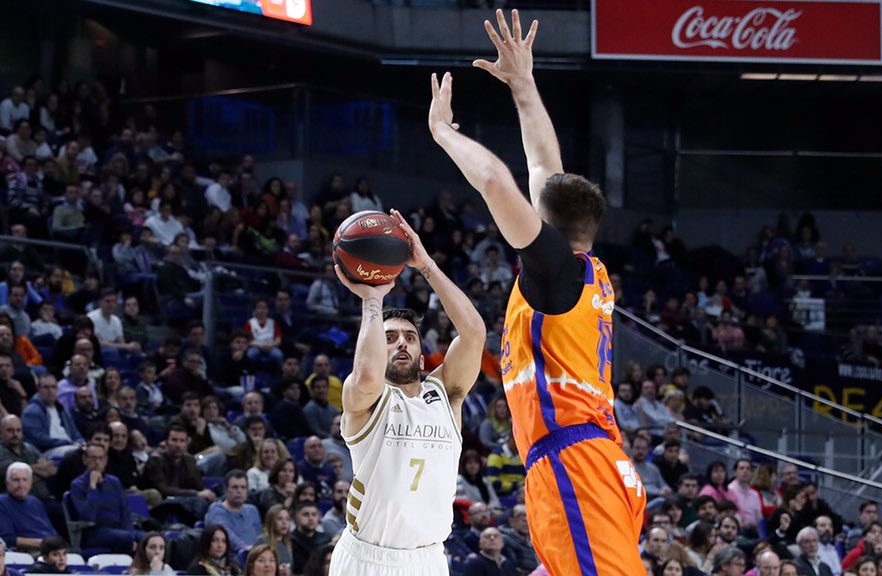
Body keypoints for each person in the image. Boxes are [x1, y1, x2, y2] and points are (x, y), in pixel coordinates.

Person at [436, 9, 645, 574]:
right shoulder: (583, 269)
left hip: (576, 463)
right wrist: (524, 87)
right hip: (585, 460)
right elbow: (542, 168)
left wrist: (444, 134)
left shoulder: (555, 275)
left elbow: (497, 181)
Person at [328, 202, 485, 574]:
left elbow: (474, 333)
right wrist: (372, 299)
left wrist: (426, 265)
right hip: (368, 559)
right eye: (390, 337)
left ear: (421, 350)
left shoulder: (445, 393)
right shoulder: (366, 398)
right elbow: (368, 375)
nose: (402, 344)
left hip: (428, 559)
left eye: (410, 338)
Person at [69, 441, 142, 554]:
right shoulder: (77, 485)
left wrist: (130, 534)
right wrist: (92, 487)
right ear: (85, 460)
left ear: (106, 460)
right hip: (94, 533)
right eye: (93, 458)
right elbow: (87, 517)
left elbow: (125, 511)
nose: (97, 462)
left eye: (101, 458)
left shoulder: (114, 481)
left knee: (153, 538)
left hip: (119, 530)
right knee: (125, 538)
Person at [0, 462, 59, 552]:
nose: (21, 485)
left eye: (25, 480)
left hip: (50, 550)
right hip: (28, 553)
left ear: (30, 483)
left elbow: (51, 531)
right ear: (7, 483)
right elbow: (8, 539)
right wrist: (43, 544)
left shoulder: (35, 502)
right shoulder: (2, 503)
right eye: (16, 480)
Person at [204, 470, 262, 554]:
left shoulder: (252, 510)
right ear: (226, 490)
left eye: (243, 487)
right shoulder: (216, 510)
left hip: (255, 558)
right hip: (230, 560)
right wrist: (248, 551)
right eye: (235, 487)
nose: (239, 491)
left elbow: (259, 537)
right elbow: (227, 536)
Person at [253, 504, 293, 574]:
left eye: (287, 519)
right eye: (280, 519)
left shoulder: (288, 543)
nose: (284, 523)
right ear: (271, 521)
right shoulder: (262, 542)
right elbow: (253, 569)